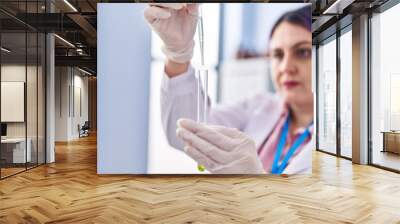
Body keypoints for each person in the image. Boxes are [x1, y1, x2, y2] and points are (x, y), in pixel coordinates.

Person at [144, 4, 314, 174]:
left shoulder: (338, 140)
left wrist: (258, 181)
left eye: (303, 52)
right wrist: (177, 55)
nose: (285, 67)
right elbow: (188, 130)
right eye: (278, 54)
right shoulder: (258, 107)